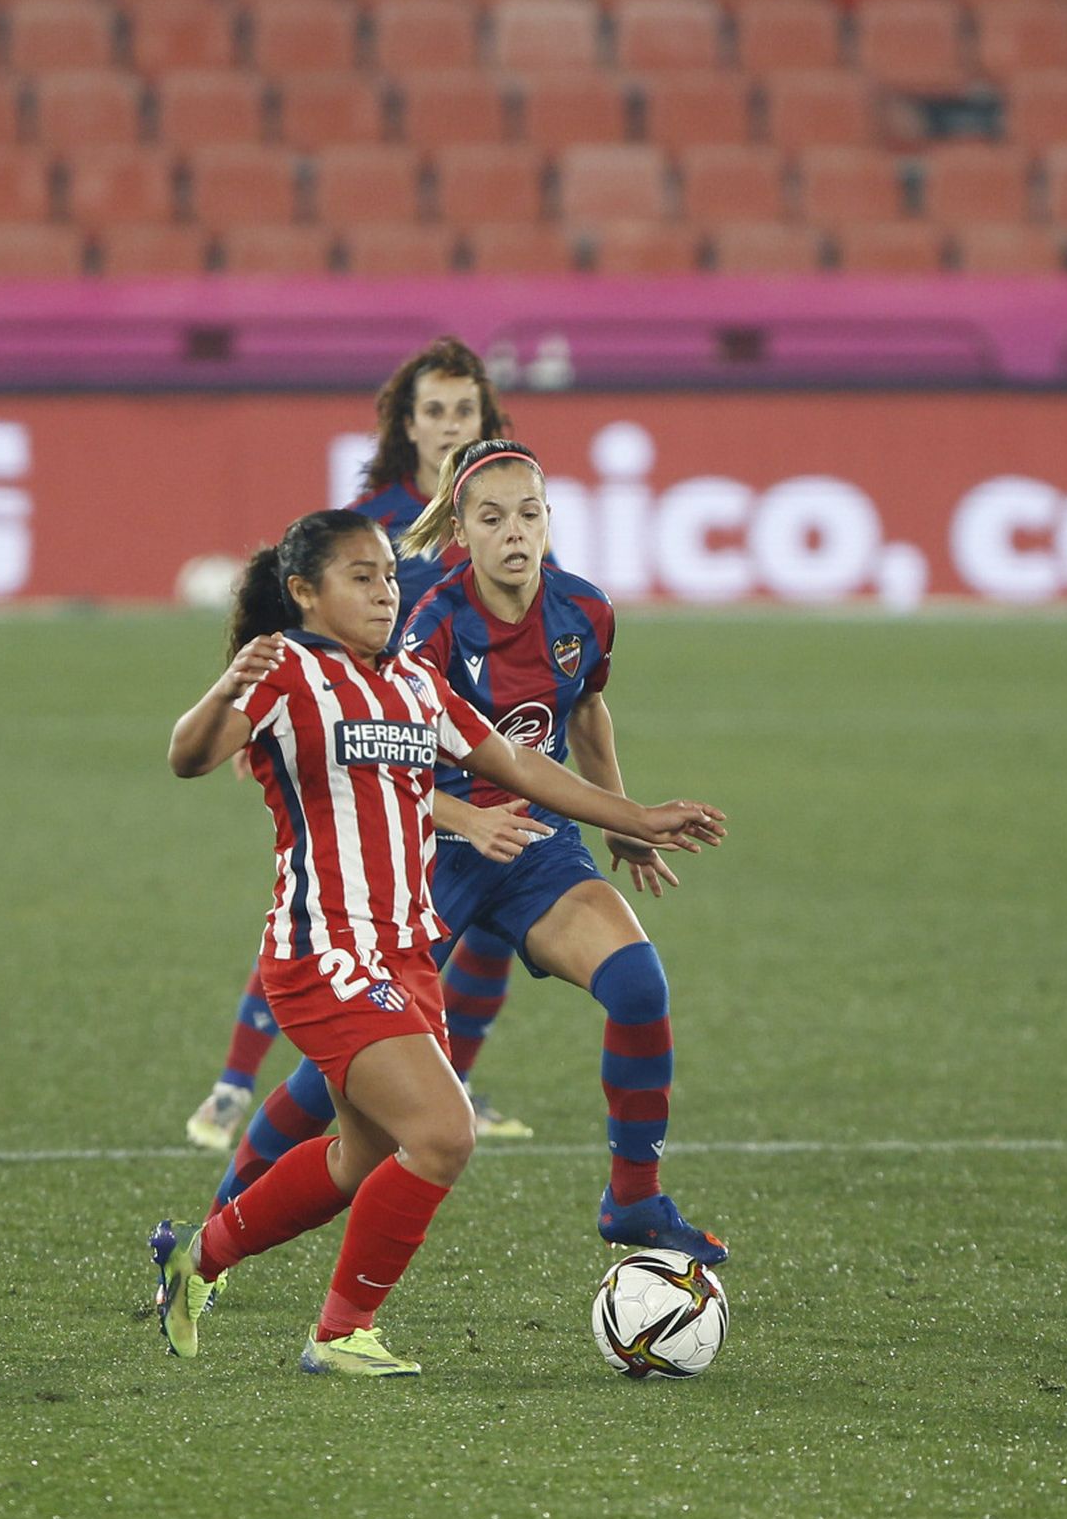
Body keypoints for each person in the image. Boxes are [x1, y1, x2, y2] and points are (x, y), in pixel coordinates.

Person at [151, 506, 724, 1377]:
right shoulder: (287, 674)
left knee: (360, 1153)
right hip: (324, 951)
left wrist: (636, 815)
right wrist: (228, 684)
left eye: (388, 575)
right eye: (361, 578)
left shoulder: (414, 683)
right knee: (446, 1132)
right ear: (304, 592)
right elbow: (188, 758)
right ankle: (341, 1332)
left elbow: (522, 767)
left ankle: (199, 1257)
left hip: (408, 953)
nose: (386, 593)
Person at [186, 336, 531, 1153]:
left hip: (456, 733)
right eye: (434, 412)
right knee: (337, 910)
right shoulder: (378, 528)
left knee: (485, 917)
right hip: (370, 741)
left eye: (464, 411)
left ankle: (455, 1082)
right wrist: (262, 715)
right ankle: (236, 1085)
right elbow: (296, 624)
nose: (450, 427)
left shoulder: (503, 518)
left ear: (486, 418)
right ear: (406, 427)